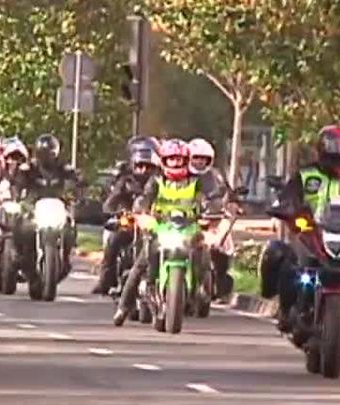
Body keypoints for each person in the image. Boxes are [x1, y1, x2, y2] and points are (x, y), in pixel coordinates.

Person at [260, 124, 340, 336]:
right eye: (336, 158)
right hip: (312, 232)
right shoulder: (305, 175)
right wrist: (287, 207)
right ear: (322, 154)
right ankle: (285, 310)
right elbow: (289, 195)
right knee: (283, 259)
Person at [113, 139, 213, 324]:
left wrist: (210, 210)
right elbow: (145, 198)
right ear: (163, 161)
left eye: (179, 160)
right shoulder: (156, 182)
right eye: (171, 159)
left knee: (202, 251)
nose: (175, 164)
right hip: (161, 228)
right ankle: (124, 306)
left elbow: (205, 200)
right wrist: (142, 209)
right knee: (140, 264)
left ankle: (200, 288)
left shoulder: (194, 182)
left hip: (188, 228)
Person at [92, 145, 160, 295]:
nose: (143, 170)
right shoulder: (126, 182)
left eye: (148, 167)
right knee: (113, 240)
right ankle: (106, 280)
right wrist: (117, 211)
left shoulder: (159, 183)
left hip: (154, 226)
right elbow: (110, 202)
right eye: (140, 166)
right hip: (130, 223)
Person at [187, 137, 238, 299]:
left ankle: (220, 282)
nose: (199, 162)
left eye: (204, 159)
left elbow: (227, 193)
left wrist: (233, 202)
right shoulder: (179, 175)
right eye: (196, 158)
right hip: (186, 221)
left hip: (212, 219)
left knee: (222, 246)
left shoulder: (216, 176)